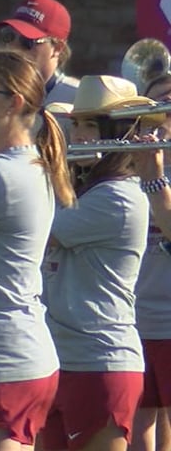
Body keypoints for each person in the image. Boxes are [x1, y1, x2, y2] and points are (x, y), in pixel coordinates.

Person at [0, 49, 74, 451]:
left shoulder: (1, 176)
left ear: (14, 102)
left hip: (2, 361)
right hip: (14, 356)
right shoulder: (23, 165)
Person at [41, 75, 152, 451]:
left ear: (117, 131)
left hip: (100, 362)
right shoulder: (88, 189)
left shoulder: (118, 198)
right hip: (63, 358)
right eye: (78, 124)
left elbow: (37, 233)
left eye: (90, 124)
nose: (79, 134)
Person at [133, 73, 171, 451]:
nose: (162, 114)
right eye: (155, 106)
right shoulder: (127, 169)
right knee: (137, 431)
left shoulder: (149, 176)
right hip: (134, 320)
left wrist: (156, 182)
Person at [0, 0, 79, 106]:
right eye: (9, 36)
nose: (14, 47)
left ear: (57, 48)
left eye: (27, 41)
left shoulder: (76, 100)